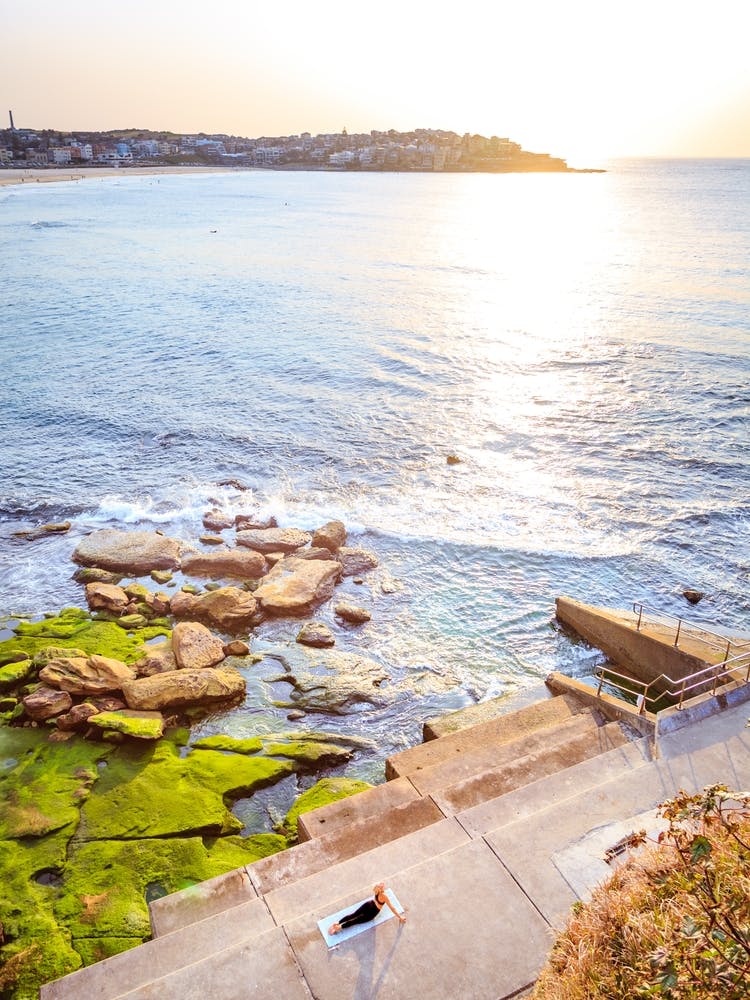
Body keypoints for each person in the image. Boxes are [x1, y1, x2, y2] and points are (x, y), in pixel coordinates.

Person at [328, 882, 406, 935]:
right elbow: (392, 908)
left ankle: (338, 922)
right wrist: (400, 917)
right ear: (382, 888)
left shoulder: (376, 891)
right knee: (356, 920)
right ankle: (339, 927)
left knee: (354, 914)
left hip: (369, 904)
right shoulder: (384, 896)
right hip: (372, 912)